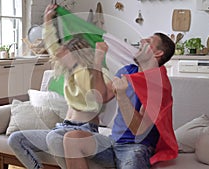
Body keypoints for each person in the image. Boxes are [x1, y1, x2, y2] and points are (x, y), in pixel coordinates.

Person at [7, 4, 113, 169]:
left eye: (65, 54)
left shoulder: (97, 73)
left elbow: (101, 97)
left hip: (85, 131)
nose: (59, 56)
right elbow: (52, 47)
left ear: (79, 54)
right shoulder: (69, 72)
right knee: (16, 139)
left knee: (54, 138)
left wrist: (96, 61)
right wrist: (47, 20)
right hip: (63, 127)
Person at [62, 33, 179, 169]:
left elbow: (138, 130)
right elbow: (101, 97)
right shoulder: (128, 71)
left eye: (149, 41)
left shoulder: (157, 86)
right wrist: (98, 61)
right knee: (72, 139)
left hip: (136, 147)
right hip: (113, 142)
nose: (142, 40)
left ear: (158, 53)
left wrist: (122, 95)